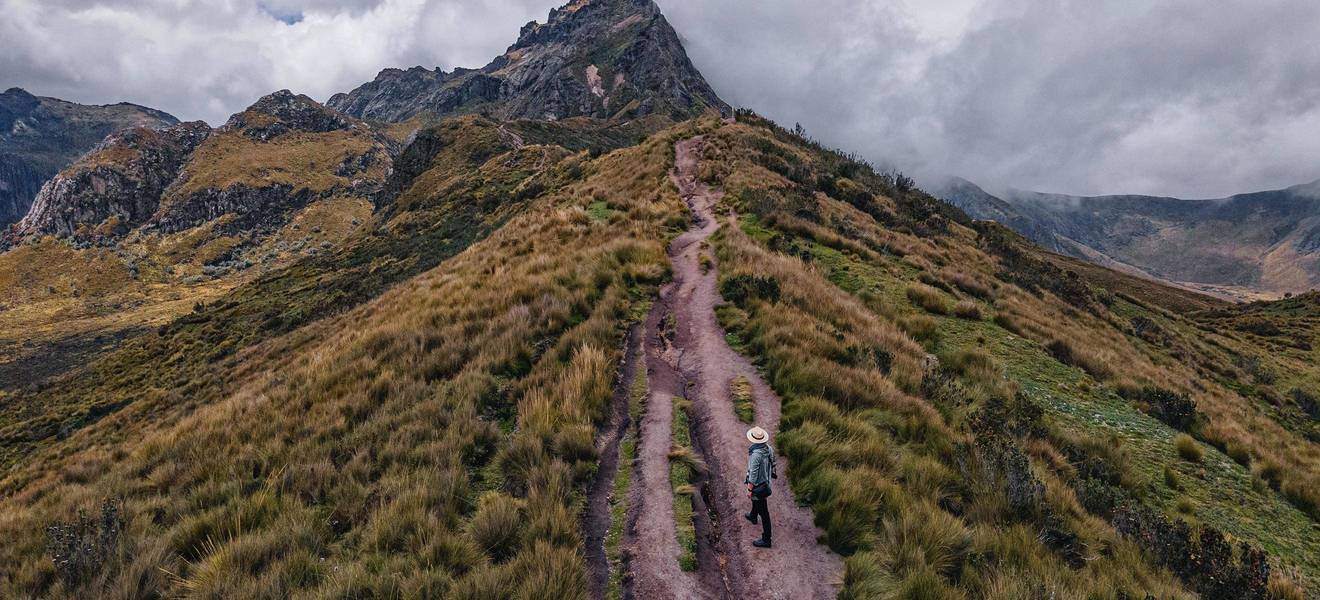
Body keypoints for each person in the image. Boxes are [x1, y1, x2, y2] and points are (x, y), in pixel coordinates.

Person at [744, 426, 776, 548]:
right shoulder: (769, 449)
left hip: (758, 486)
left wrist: (749, 489)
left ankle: (767, 539)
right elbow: (773, 463)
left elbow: (753, 474)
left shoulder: (756, 454)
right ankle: (753, 515)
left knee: (764, 513)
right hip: (766, 483)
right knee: (756, 502)